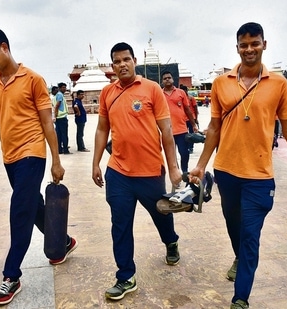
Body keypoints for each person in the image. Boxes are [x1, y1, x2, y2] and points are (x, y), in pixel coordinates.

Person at [189, 22, 287, 309]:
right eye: (244, 45)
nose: (249, 49)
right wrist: (201, 164)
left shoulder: (279, 83)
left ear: (264, 45)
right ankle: (237, 257)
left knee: (250, 235)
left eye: (254, 43)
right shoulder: (221, 83)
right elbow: (214, 127)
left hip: (259, 175)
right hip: (227, 171)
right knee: (234, 226)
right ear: (237, 48)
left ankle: (240, 297)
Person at [0, 28, 77, 305]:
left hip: (32, 154)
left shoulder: (33, 80)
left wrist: (56, 160)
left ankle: (11, 275)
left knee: (20, 211)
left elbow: (46, 122)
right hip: (10, 158)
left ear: (5, 47)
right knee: (32, 205)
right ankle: (63, 241)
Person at [92, 42, 182, 301]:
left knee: (161, 214)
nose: (122, 64)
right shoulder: (108, 92)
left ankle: (171, 240)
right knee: (120, 225)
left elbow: (166, 131)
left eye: (126, 59)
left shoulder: (152, 90)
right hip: (118, 172)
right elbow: (101, 129)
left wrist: (174, 169)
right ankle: (125, 276)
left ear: (134, 61)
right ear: (112, 66)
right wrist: (96, 162)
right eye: (117, 61)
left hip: (150, 171)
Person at [162, 71, 198, 173]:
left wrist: (194, 124)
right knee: (171, 156)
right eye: (165, 78)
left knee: (184, 153)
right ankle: (176, 173)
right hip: (167, 131)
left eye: (169, 77)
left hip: (182, 130)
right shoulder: (159, 94)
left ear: (173, 79)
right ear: (162, 81)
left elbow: (187, 110)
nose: (167, 79)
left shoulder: (181, 93)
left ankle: (185, 171)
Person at [180, 84, 199, 153]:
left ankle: (191, 147)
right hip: (183, 119)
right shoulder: (180, 98)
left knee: (191, 134)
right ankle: (187, 146)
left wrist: (196, 119)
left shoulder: (191, 98)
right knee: (184, 134)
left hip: (191, 119)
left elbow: (195, 108)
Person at [55, 82, 71, 154]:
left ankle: (59, 149)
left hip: (59, 117)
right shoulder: (60, 95)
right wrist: (55, 114)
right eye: (63, 87)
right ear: (59, 88)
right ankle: (65, 149)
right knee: (64, 134)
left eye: (65, 87)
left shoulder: (59, 95)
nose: (64, 89)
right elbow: (57, 105)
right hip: (61, 117)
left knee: (59, 134)